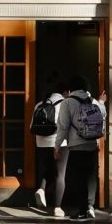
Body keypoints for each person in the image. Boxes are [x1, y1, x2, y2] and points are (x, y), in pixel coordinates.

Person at [54, 74, 107, 221]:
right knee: (91, 178)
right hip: (92, 145)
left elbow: (63, 127)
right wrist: (102, 103)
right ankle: (90, 207)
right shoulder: (93, 101)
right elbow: (103, 116)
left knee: (78, 179)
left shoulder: (68, 103)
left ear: (71, 89)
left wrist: (57, 146)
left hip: (76, 146)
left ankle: (82, 211)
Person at [30, 80, 69, 216]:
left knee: (48, 169)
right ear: (66, 92)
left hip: (41, 144)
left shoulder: (39, 105)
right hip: (59, 144)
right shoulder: (65, 104)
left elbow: (31, 127)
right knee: (60, 174)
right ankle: (57, 207)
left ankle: (41, 189)